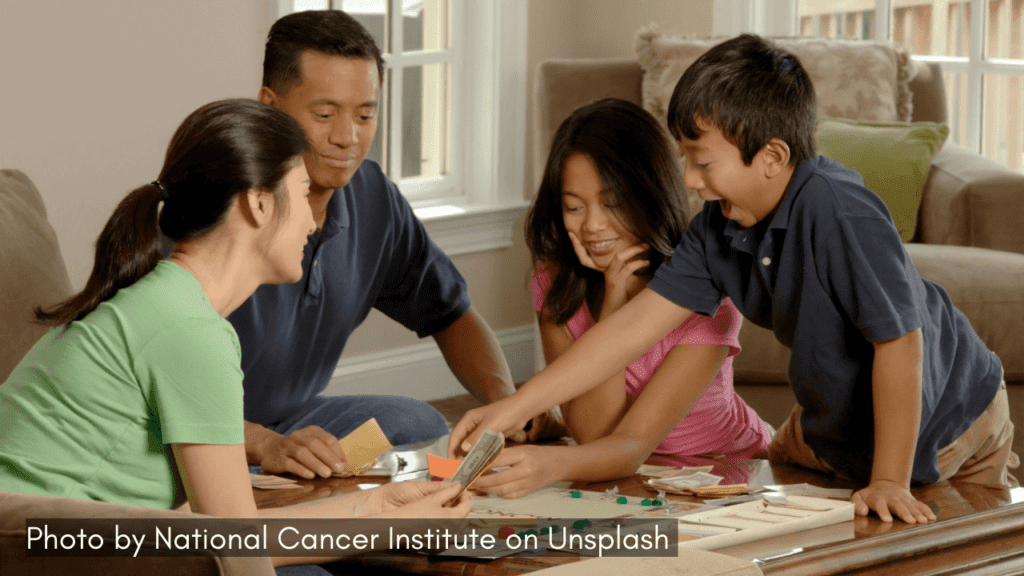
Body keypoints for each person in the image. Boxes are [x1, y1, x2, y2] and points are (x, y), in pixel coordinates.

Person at [451, 34, 1018, 524]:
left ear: (771, 156)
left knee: (927, 540)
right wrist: (513, 407)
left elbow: (900, 342)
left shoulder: (839, 210)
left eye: (702, 162)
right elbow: (626, 334)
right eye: (684, 162)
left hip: (946, 416)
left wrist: (890, 478)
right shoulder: (716, 231)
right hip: (835, 425)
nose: (690, 182)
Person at [0, 99, 470, 574]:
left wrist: (380, 507)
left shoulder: (169, 302)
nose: (312, 221)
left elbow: (218, 530)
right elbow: (239, 552)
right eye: (303, 193)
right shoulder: (190, 330)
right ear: (259, 202)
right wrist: (392, 529)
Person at [231, 9, 563, 481]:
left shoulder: (371, 197)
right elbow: (151, 392)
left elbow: (451, 314)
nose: (347, 137)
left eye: (365, 115)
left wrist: (503, 406)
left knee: (415, 423)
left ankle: (318, 492)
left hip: (297, 424)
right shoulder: (220, 208)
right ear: (270, 106)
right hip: (201, 438)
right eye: (324, 115)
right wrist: (263, 444)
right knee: (298, 548)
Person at [471, 99, 771, 498]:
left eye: (612, 203)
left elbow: (630, 443)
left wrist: (549, 463)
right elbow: (593, 433)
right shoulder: (556, 283)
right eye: (574, 207)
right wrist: (612, 304)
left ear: (650, 194)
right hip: (622, 473)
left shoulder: (709, 295)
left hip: (723, 469)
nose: (593, 225)